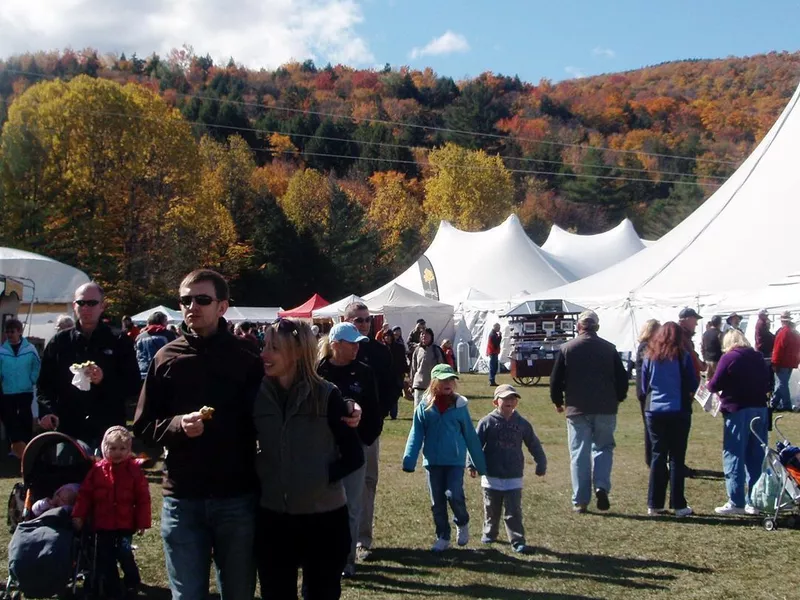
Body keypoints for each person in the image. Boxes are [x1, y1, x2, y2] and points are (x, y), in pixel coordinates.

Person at [133, 269, 264, 600]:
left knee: (238, 593)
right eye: (185, 300)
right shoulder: (166, 357)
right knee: (187, 595)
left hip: (236, 496)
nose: (192, 306)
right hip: (183, 497)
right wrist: (178, 425)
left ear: (222, 306)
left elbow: (270, 417)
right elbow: (144, 427)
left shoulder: (247, 357)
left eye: (202, 299)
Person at [255, 318, 364, 599]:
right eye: (264, 346)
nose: (264, 354)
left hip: (324, 520)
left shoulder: (326, 395)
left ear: (297, 352)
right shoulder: (257, 395)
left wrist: (319, 478)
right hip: (273, 518)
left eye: (274, 348)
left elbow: (353, 455)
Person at [37, 283, 141, 450]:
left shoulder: (118, 340)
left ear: (102, 306)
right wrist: (47, 411)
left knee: (107, 476)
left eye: (92, 303)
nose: (86, 308)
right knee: (69, 474)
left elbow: (134, 385)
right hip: (69, 427)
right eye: (81, 303)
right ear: (74, 306)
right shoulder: (59, 342)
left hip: (107, 429)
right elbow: (45, 385)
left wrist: (103, 380)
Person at [317, 322, 382, 578]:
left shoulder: (364, 372)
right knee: (319, 503)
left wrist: (364, 441)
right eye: (351, 343)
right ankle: (320, 555)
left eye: (358, 343)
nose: (356, 347)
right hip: (322, 448)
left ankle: (346, 561)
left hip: (354, 449)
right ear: (335, 345)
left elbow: (375, 413)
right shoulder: (318, 371)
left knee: (351, 506)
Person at [550, 310, 628, 513]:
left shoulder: (567, 348)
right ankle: (601, 486)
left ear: (578, 327)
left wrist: (558, 401)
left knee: (579, 453)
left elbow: (556, 379)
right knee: (603, 448)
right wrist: (618, 398)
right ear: (597, 327)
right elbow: (622, 378)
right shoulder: (609, 348)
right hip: (605, 407)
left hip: (577, 408)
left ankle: (580, 500)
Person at [402, 364, 486, 552]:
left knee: (454, 494)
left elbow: (470, 436)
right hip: (432, 462)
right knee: (437, 502)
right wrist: (409, 459)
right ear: (434, 383)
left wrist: (479, 464)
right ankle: (443, 536)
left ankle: (462, 522)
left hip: (455, 461)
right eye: (444, 380)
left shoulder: (459, 406)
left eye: (451, 380)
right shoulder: (424, 408)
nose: (449, 383)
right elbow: (416, 434)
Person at [72, 426, 151, 599]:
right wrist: (79, 514)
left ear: (129, 449)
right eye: (113, 448)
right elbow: (85, 495)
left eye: (122, 449)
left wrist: (142, 522)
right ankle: (112, 586)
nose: (117, 453)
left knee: (124, 553)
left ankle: (132, 580)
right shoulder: (97, 470)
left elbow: (143, 498)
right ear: (104, 448)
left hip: (125, 523)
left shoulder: (134, 471)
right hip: (103, 523)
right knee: (105, 556)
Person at [343, 303, 394, 562]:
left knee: (367, 484)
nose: (363, 324)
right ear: (346, 320)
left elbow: (391, 386)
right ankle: (339, 540)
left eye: (366, 320)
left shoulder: (378, 352)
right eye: (358, 320)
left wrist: (378, 418)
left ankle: (363, 539)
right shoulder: (333, 355)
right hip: (337, 432)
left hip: (369, 431)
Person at [470, 384, 546, 553]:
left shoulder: (522, 424)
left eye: (512, 398)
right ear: (495, 402)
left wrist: (541, 462)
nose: (509, 401)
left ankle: (517, 539)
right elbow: (475, 445)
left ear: (516, 403)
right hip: (491, 475)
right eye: (505, 398)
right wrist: (472, 464)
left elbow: (533, 443)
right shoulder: (486, 422)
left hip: (513, 475)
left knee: (513, 511)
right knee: (491, 509)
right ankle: (490, 533)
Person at [707, 330, 772, 515]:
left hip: (737, 410)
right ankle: (756, 500)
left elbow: (715, 384)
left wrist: (709, 384)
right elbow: (768, 381)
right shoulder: (758, 357)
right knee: (756, 456)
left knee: (734, 454)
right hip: (759, 408)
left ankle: (736, 501)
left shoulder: (729, 357)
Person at [638, 322, 698, 518]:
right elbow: (692, 381)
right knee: (677, 458)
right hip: (677, 409)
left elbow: (644, 384)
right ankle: (679, 504)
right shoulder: (682, 356)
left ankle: (654, 503)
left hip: (654, 410)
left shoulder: (649, 355)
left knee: (658, 455)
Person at [0, 318, 41, 458]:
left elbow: (37, 365)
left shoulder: (30, 349)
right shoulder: (2, 351)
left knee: (25, 417)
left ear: (20, 332)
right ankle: (15, 447)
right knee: (10, 419)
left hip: (25, 389)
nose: (10, 335)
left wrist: (32, 379)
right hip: (8, 390)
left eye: (12, 331)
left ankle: (27, 444)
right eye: (7, 332)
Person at [635, 319, 660, 467]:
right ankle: (650, 458)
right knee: (649, 428)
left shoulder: (646, 346)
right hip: (645, 392)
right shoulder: (645, 347)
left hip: (645, 390)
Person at [770, 311, 800, 412]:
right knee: (781, 383)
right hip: (791, 362)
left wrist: (774, 362)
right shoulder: (794, 333)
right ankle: (774, 403)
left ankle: (786, 405)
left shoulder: (783, 332)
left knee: (782, 384)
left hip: (782, 362)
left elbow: (778, 348)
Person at [410, 328, 446, 408]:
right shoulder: (417, 350)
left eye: (426, 334)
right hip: (418, 384)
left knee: (431, 409)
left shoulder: (436, 350)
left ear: (431, 337)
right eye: (422, 334)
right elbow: (413, 368)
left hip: (432, 385)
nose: (424, 336)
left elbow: (442, 367)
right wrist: (411, 384)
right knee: (418, 409)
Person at [134, 311, 176, 380]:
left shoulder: (139, 337)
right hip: (163, 372)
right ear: (161, 321)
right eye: (165, 320)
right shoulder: (168, 334)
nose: (167, 323)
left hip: (143, 372)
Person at [382, 329, 408, 420]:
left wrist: (406, 371)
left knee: (395, 394)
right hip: (384, 375)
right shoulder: (381, 348)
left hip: (397, 374)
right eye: (385, 336)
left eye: (389, 336)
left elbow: (403, 360)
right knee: (385, 394)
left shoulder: (399, 347)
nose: (387, 338)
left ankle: (393, 414)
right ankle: (385, 412)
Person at [678, 308, 706, 380]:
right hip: (685, 380)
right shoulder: (680, 336)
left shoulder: (684, 336)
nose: (696, 324)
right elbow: (691, 358)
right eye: (695, 320)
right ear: (688, 319)